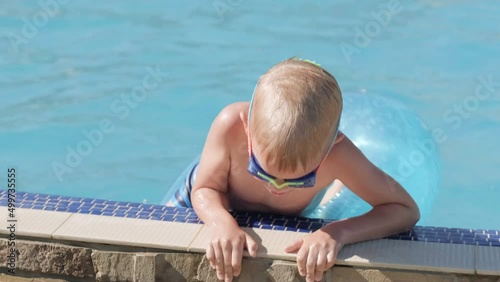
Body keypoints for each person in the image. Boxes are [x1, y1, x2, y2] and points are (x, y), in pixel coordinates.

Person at [173, 58, 420, 282]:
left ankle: (337, 183)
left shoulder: (340, 156)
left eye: (301, 180)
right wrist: (219, 222)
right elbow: (206, 188)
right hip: (207, 190)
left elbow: (405, 210)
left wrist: (337, 232)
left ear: (330, 150)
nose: (276, 187)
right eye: (260, 170)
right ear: (247, 131)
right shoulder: (230, 127)